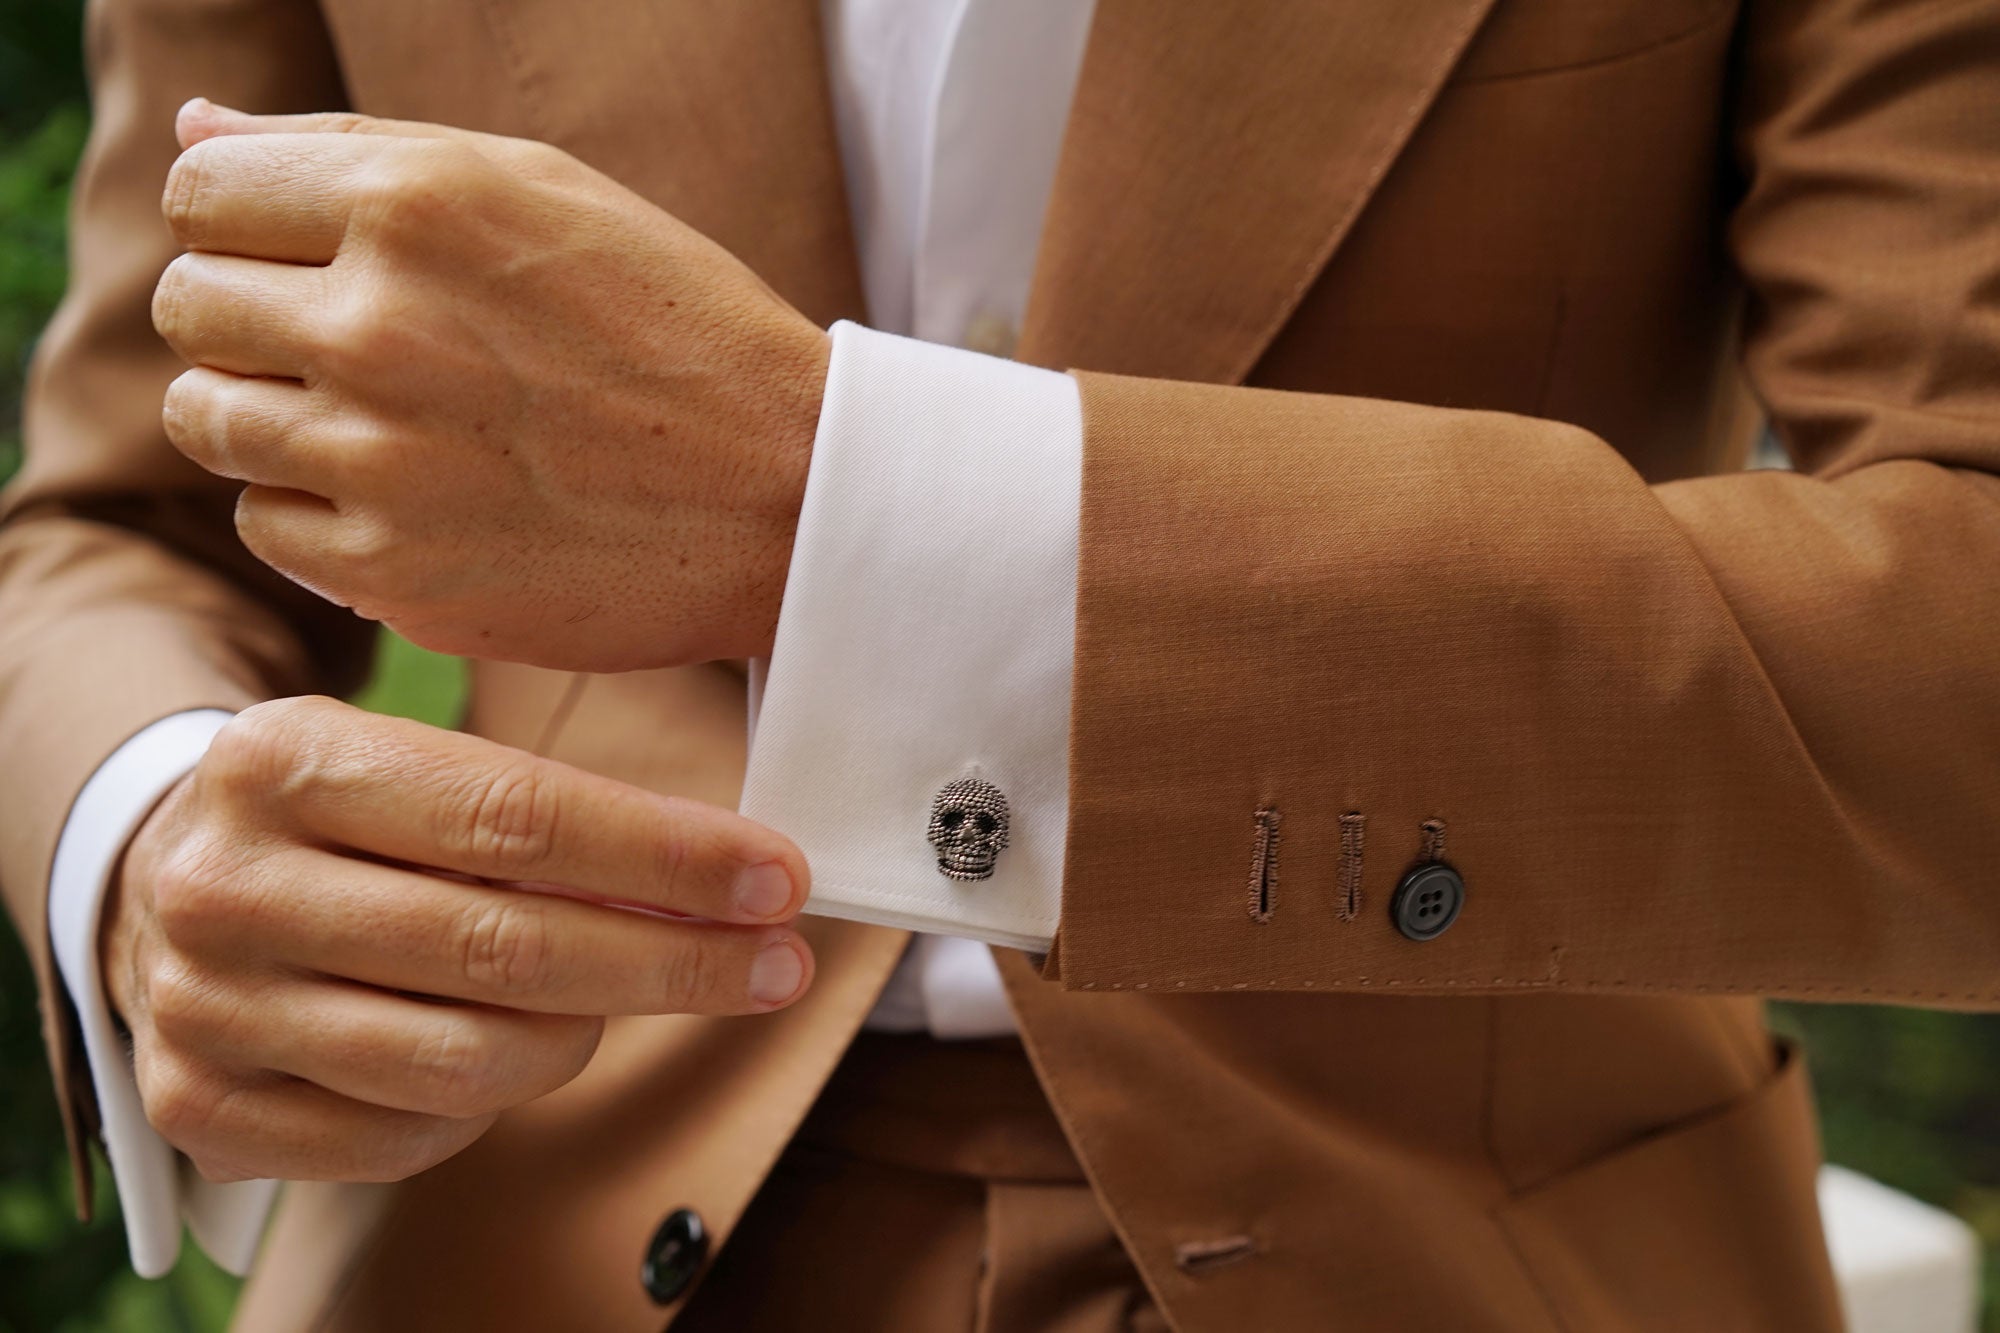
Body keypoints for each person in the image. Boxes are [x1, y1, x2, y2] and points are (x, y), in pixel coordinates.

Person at [2, 0, 1995, 1328]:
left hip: (1462, 1243)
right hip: (506, 1228)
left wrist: (831, 496)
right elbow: (113, 516)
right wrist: (149, 824)